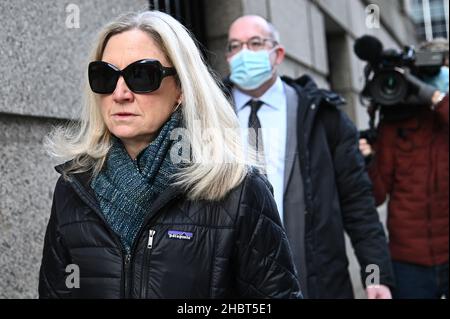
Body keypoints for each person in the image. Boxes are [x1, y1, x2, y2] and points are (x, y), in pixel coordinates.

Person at [38, 11, 302, 299]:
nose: (120, 93)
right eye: (106, 76)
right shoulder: (73, 186)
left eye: (141, 75)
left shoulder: (238, 188)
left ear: (181, 88)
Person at [223, 15, 394, 299]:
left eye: (254, 43)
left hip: (316, 281)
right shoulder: (208, 115)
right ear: (228, 57)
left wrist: (375, 275)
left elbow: (358, 204)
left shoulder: (322, 115)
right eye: (234, 46)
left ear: (277, 54)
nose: (243, 53)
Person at [359, 40, 449, 299]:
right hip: (408, 261)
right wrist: (366, 160)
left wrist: (433, 97)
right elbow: (375, 196)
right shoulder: (394, 126)